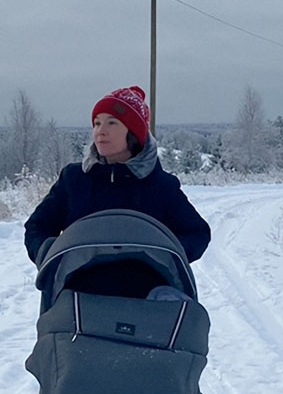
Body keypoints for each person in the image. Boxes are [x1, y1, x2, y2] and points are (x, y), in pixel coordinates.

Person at [24, 85, 211, 267]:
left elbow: (196, 233)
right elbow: (38, 227)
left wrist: (162, 258)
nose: (100, 131)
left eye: (112, 123)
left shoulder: (160, 186)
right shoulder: (73, 180)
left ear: (133, 133)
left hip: (146, 292)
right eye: (97, 123)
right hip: (77, 290)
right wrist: (51, 256)